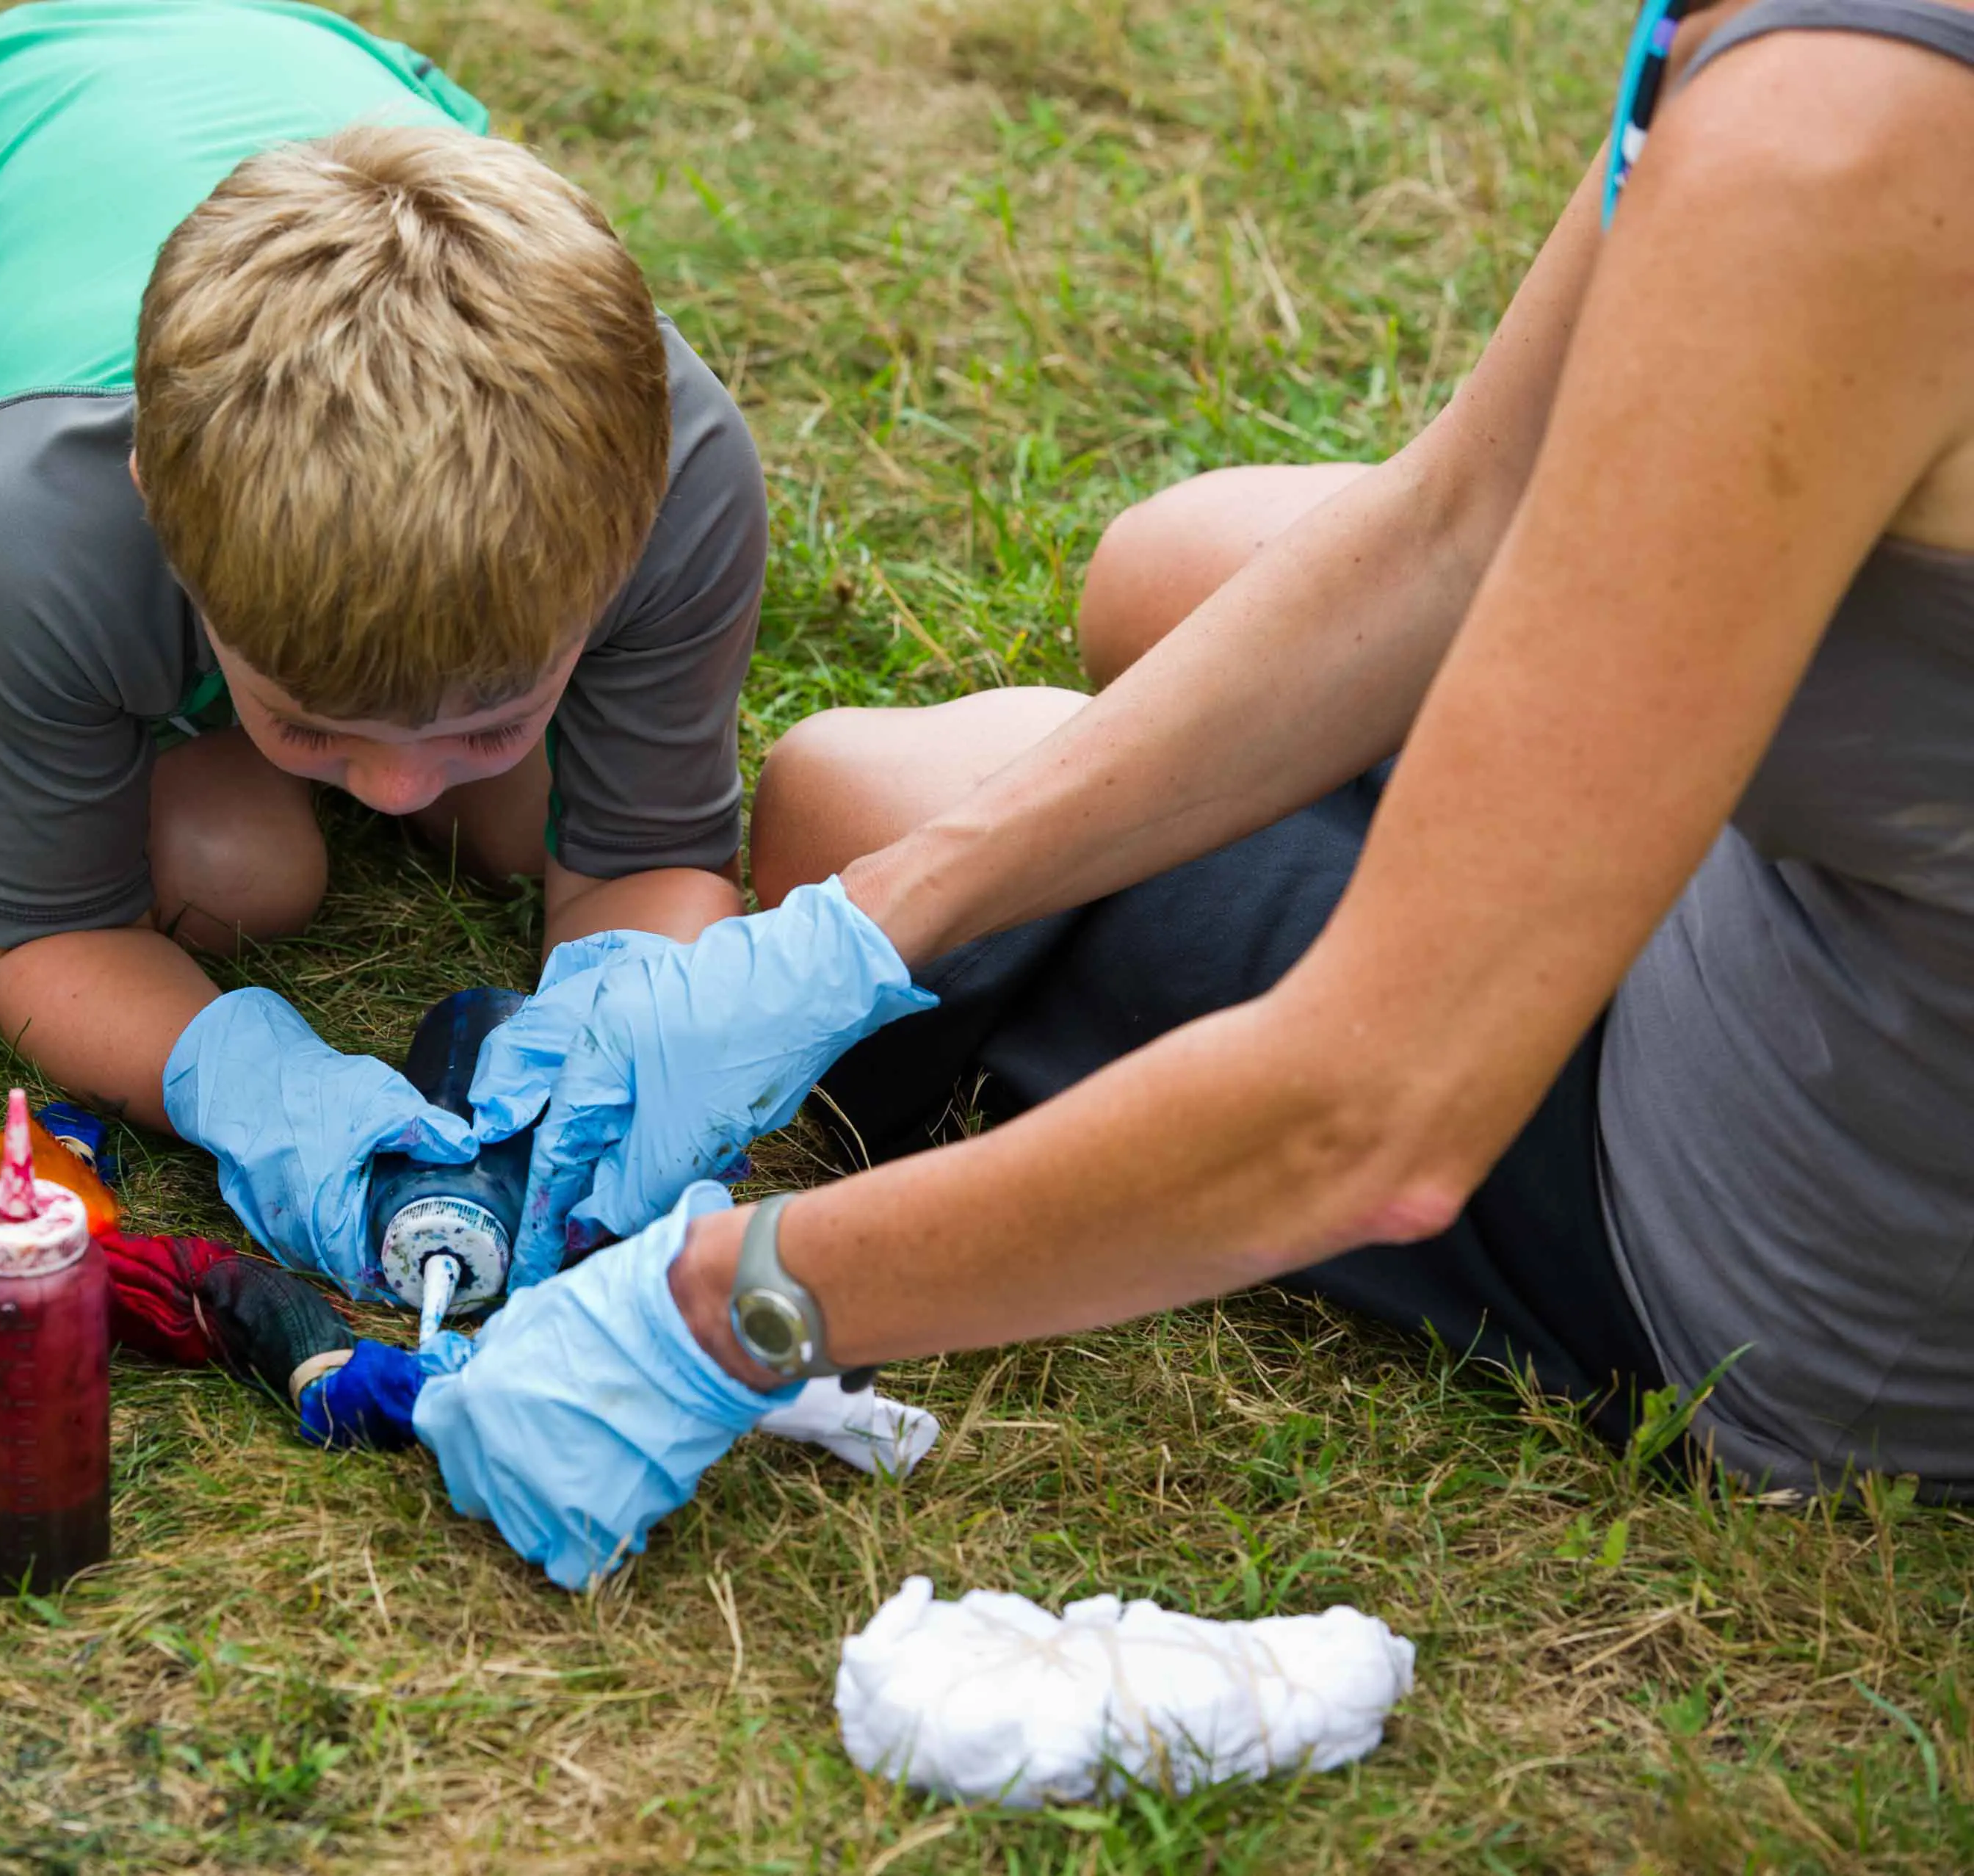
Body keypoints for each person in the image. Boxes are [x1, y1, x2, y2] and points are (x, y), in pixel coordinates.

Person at [415, 0, 1974, 1590]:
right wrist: (868, 929)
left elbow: (1372, 1113)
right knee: (1161, 575)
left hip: (1838, 1232)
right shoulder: (1805, 74)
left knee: (850, 792)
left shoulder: (1834, 149)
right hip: (1856, 857)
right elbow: (1463, 520)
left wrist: (726, 1302)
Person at [0, 0, 767, 1292]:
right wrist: (251, 1082)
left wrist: (615, 1038)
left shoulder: (688, 473)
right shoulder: (54, 522)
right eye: (312, 723)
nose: (393, 791)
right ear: (164, 526)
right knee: (238, 866)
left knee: (520, 822)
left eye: (488, 716)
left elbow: (654, 856)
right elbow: (46, 933)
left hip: (268, 68)